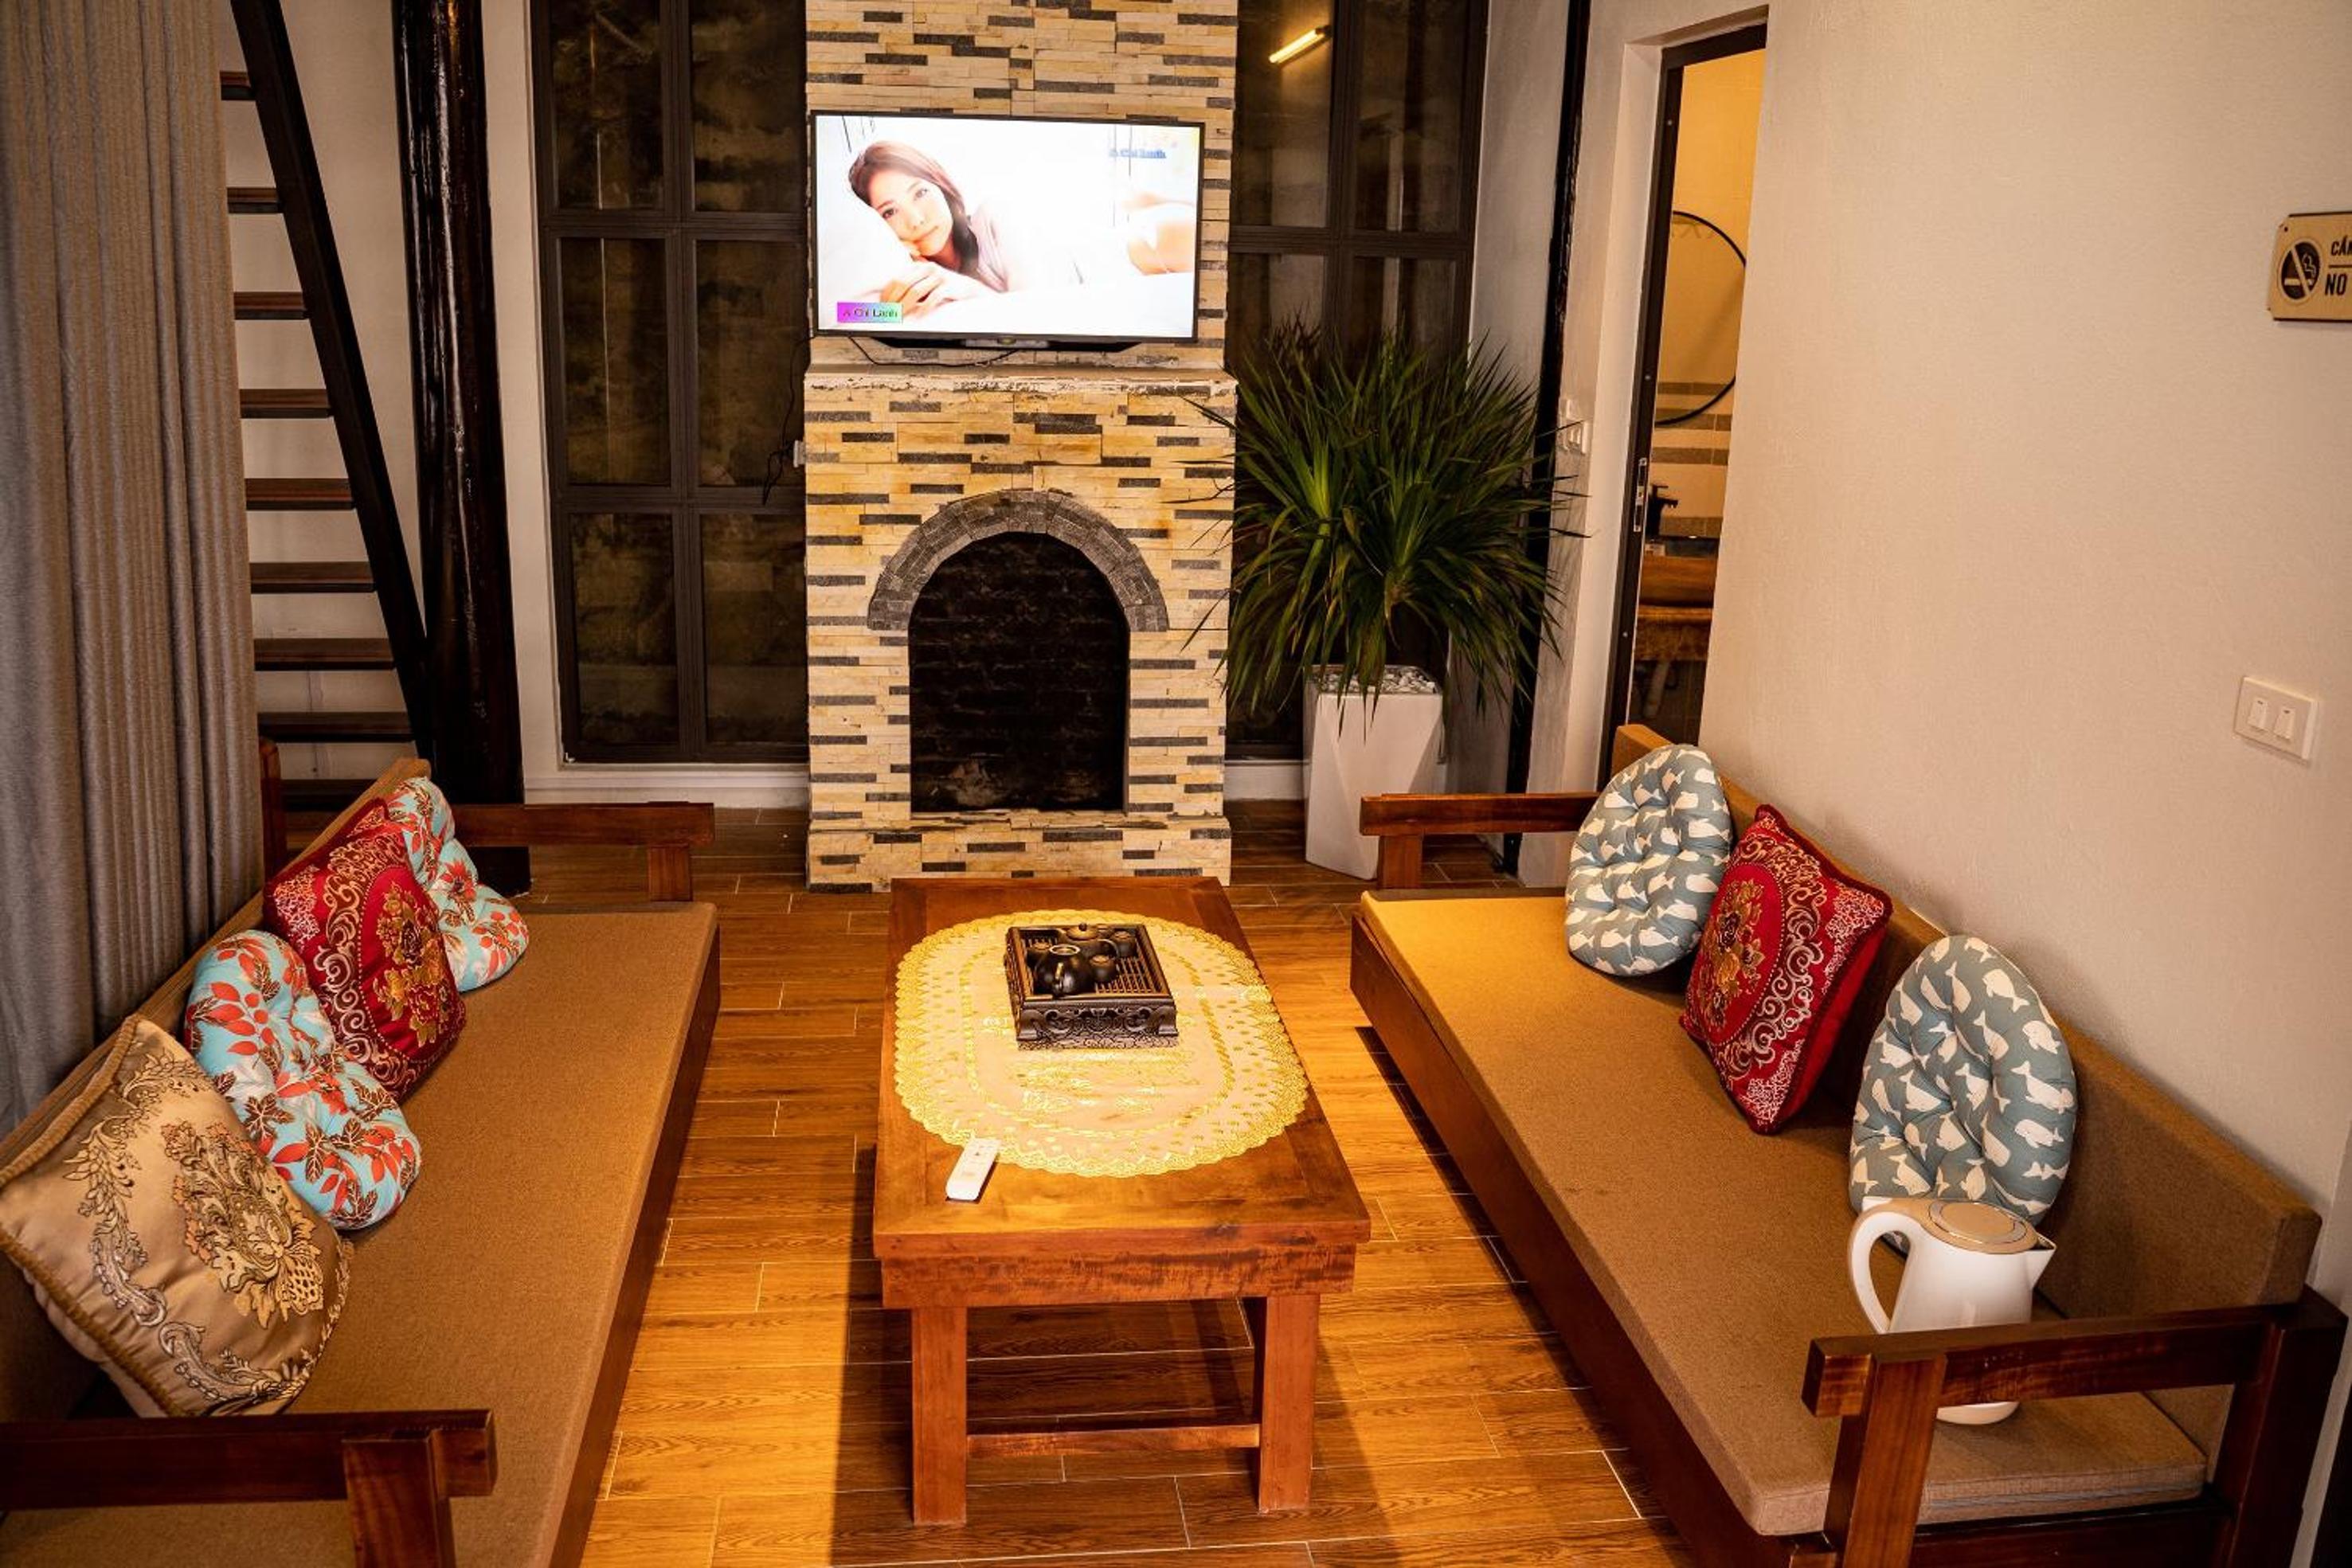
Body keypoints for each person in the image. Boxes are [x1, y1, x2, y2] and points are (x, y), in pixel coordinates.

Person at [847, 139, 1199, 321]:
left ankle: (1149, 201)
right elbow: (846, 314)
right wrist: (887, 311)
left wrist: (966, 289)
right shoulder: (909, 274)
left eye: (920, 193)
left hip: (1142, 249)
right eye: (890, 211)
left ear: (941, 187)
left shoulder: (997, 213)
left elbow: (1036, 312)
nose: (915, 220)